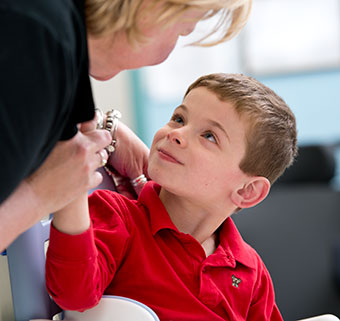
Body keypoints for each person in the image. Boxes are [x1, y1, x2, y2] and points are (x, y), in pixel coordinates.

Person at [0, 0, 252, 251]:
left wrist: (105, 128)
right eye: (181, 31)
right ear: (152, 9)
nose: (177, 135)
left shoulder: (52, 33)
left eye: (208, 136)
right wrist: (39, 195)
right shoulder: (39, 39)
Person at [45, 73, 297, 320]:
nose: (176, 133)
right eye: (179, 118)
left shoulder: (251, 271)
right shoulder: (117, 217)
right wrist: (74, 184)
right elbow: (73, 295)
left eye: (209, 136)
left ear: (246, 191)